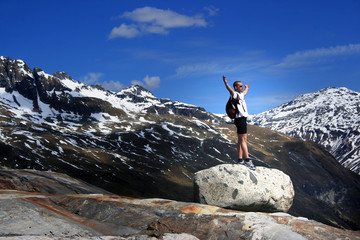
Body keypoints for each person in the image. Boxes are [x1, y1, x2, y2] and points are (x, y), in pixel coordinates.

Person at [222, 75, 255, 170]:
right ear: (235, 87)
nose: (241, 87)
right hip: (239, 118)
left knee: (241, 139)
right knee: (243, 139)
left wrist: (247, 88)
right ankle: (248, 160)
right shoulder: (234, 94)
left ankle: (240, 159)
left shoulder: (240, 95)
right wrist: (226, 83)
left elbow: (244, 93)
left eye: (241, 86)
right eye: (240, 86)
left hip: (243, 118)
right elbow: (230, 90)